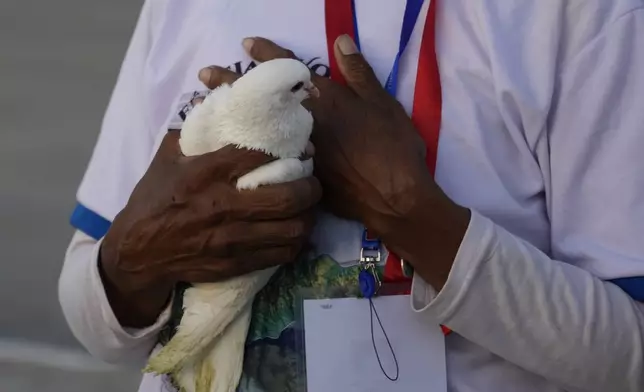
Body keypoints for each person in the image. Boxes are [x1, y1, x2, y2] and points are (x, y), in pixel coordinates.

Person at [58, 0, 644, 391]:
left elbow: (630, 352)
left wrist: (409, 213)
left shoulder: (583, 15)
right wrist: (137, 260)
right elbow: (93, 314)